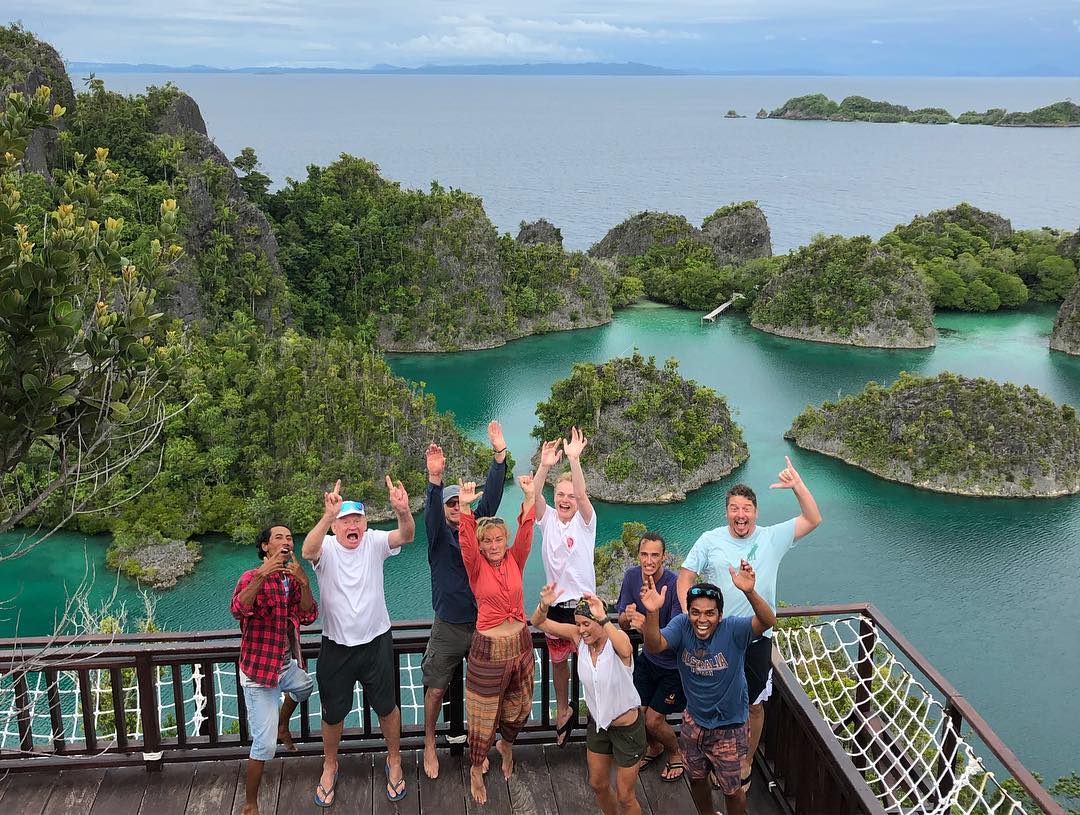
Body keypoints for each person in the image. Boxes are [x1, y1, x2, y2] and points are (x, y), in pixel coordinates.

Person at [676, 456, 821, 788]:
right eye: (734, 508)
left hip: (756, 637)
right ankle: (714, 758)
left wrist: (797, 485)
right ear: (726, 511)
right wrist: (689, 615)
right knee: (711, 700)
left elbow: (813, 518)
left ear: (756, 512)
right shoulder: (709, 540)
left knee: (754, 705)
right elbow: (685, 576)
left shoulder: (772, 537)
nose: (740, 515)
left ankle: (744, 762)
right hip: (715, 640)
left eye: (746, 509)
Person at [302, 477, 415, 806]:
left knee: (387, 707)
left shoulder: (375, 542)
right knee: (333, 714)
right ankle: (330, 764)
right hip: (335, 646)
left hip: (376, 641)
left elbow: (406, 535)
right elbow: (307, 549)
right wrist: (326, 516)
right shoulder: (325, 551)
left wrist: (404, 511)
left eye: (357, 520)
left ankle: (394, 761)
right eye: (345, 521)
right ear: (335, 527)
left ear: (365, 524)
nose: (352, 526)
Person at [641, 562, 776, 815]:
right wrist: (652, 613)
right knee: (696, 777)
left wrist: (749, 591)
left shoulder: (734, 629)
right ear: (688, 612)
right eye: (696, 612)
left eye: (709, 613)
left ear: (720, 615)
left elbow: (768, 621)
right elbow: (655, 645)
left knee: (732, 790)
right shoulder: (682, 626)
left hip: (730, 727)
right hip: (694, 721)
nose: (702, 619)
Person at [420, 420, 508, 779]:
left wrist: (499, 456)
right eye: (450, 503)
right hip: (448, 626)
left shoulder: (475, 530)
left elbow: (492, 498)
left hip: (483, 625)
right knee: (436, 687)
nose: (456, 507)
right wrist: (434, 479)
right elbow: (429, 511)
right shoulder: (439, 537)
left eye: (460, 502)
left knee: (483, 692)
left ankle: (480, 747)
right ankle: (428, 741)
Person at [456, 475, 537, 804]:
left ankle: (507, 745)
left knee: (519, 708)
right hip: (488, 652)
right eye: (487, 540)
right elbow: (465, 541)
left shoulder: (515, 558)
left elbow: (527, 533)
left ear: (506, 540)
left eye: (498, 539)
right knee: (481, 718)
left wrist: (530, 496)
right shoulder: (476, 567)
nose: (493, 545)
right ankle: (477, 769)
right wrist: (464, 507)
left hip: (520, 645)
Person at [532, 586, 646, 815]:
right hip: (598, 724)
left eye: (587, 624)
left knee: (625, 796)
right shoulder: (578, 638)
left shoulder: (616, 641)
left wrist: (604, 619)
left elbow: (625, 648)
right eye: (579, 624)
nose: (582, 630)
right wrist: (544, 604)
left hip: (627, 730)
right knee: (598, 784)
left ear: (600, 622)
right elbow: (539, 622)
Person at [231, 525, 318, 815]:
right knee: (264, 745)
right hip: (258, 674)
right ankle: (250, 802)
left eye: (289, 538)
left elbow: (308, 615)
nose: (286, 542)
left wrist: (304, 583)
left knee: (305, 686)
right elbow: (238, 609)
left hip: (283, 667)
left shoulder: (291, 581)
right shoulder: (249, 577)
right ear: (266, 547)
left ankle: (283, 724)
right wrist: (261, 575)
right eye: (278, 538)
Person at [532, 427, 596, 746]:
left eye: (570, 496)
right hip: (556, 608)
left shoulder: (587, 522)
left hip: (584, 606)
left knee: (591, 663)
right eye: (561, 495)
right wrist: (544, 466)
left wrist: (573, 460)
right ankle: (562, 710)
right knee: (558, 664)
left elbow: (583, 495)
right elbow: (534, 496)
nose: (566, 500)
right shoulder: (548, 521)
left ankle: (598, 716)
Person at [615, 531, 685, 782]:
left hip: (673, 665)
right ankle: (654, 748)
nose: (649, 560)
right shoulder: (632, 577)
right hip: (648, 660)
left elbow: (672, 635)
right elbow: (622, 620)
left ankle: (675, 753)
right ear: (638, 555)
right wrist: (627, 616)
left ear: (664, 557)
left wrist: (645, 625)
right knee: (638, 714)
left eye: (655, 555)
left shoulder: (674, 584)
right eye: (644, 554)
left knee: (654, 720)